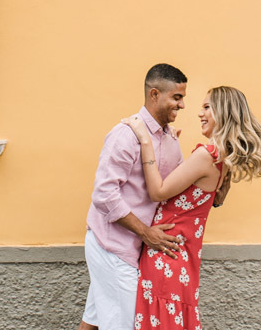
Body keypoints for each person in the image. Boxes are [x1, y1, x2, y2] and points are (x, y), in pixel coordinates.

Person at [122, 86, 261, 330]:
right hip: (183, 261)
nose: (200, 113)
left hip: (166, 255)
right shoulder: (222, 159)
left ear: (223, 113)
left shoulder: (207, 154)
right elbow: (211, 199)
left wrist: (145, 141)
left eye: (207, 107)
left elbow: (158, 192)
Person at [79, 64, 189, 330]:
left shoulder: (171, 140)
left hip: (135, 250)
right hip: (113, 247)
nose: (183, 105)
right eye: (177, 97)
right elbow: (104, 195)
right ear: (154, 94)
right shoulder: (125, 135)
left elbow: (175, 189)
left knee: (92, 322)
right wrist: (145, 233)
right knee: (127, 325)